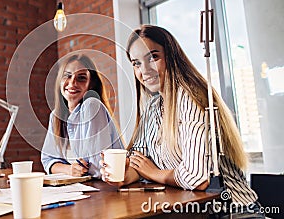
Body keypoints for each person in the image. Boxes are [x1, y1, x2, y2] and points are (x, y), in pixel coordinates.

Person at [101, 25, 264, 218]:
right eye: (136, 63)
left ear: (171, 56)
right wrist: (121, 176)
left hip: (234, 212)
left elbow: (197, 179)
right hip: (193, 211)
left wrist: (154, 173)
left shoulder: (190, 97)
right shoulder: (154, 107)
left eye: (153, 57)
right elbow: (140, 161)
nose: (144, 70)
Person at [41, 53, 124, 178]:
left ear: (90, 84)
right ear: (60, 80)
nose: (72, 82)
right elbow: (48, 160)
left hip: (105, 188)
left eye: (81, 78)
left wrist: (76, 169)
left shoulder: (92, 106)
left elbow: (97, 169)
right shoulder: (56, 116)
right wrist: (69, 169)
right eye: (67, 76)